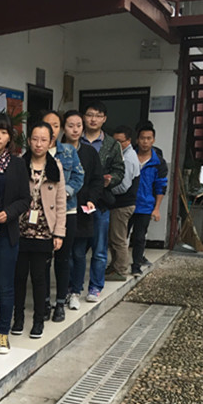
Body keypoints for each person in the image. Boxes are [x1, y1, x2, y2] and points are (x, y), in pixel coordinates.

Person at [11, 122, 65, 339]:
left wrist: (59, 232)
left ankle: (38, 321)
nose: (39, 144)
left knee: (39, 278)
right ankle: (18, 318)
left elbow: (60, 202)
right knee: (19, 277)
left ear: (51, 141)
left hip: (44, 230)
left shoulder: (55, 166)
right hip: (20, 229)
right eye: (35, 139)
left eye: (44, 140)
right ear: (28, 140)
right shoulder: (19, 164)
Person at [0, 112, 30, 354]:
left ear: (9, 136)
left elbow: (25, 199)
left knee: (5, 285)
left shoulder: (17, 164)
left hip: (6, 232)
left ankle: (3, 332)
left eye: (3, 132)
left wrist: (8, 213)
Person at [77, 101, 124, 302]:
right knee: (76, 249)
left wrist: (109, 180)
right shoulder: (75, 139)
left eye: (98, 115)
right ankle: (74, 287)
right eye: (90, 114)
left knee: (99, 249)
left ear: (104, 119)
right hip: (77, 201)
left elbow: (120, 171)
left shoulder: (112, 144)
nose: (93, 119)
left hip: (100, 202)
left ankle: (95, 287)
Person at [41, 111, 84, 322]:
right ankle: (44, 302)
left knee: (63, 259)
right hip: (42, 215)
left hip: (67, 211)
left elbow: (79, 175)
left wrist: (64, 192)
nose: (52, 130)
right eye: (48, 125)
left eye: (56, 126)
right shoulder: (34, 152)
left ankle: (60, 303)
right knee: (43, 260)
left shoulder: (68, 151)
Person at [62, 110, 103, 311]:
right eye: (71, 125)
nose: (75, 130)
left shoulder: (89, 152)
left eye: (79, 125)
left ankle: (75, 291)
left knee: (78, 253)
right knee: (64, 254)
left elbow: (97, 179)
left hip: (82, 209)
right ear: (63, 128)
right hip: (61, 209)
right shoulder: (57, 150)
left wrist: (92, 200)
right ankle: (64, 289)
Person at [130, 121, 168, 277]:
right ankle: (116, 265)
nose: (145, 142)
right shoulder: (129, 156)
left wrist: (156, 208)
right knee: (119, 238)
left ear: (153, 140)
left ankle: (136, 265)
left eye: (148, 138)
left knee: (139, 237)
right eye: (142, 138)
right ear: (137, 140)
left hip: (146, 205)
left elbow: (161, 186)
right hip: (127, 203)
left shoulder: (158, 162)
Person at [106, 125, 140, 281]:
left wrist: (106, 188)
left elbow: (123, 186)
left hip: (123, 204)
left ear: (129, 141)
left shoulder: (128, 158)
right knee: (114, 237)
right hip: (120, 204)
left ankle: (121, 270)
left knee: (118, 239)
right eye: (114, 141)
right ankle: (114, 266)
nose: (117, 144)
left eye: (120, 141)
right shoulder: (122, 155)